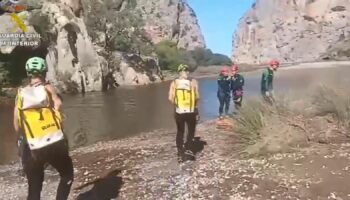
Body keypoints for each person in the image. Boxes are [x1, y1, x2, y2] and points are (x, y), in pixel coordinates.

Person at [13, 57, 74, 200]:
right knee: (67, 174)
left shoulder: (21, 94)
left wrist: (23, 142)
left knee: (34, 188)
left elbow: (17, 124)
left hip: (32, 145)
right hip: (53, 142)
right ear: (44, 71)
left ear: (28, 73)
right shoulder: (48, 88)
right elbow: (58, 108)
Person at [168, 64, 200, 163]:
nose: (187, 72)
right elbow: (197, 97)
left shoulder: (174, 82)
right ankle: (189, 151)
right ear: (181, 72)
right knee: (190, 131)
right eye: (186, 71)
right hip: (190, 111)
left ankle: (180, 153)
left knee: (180, 132)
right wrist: (195, 109)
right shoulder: (193, 82)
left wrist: (178, 105)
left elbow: (170, 98)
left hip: (179, 112)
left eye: (187, 70)